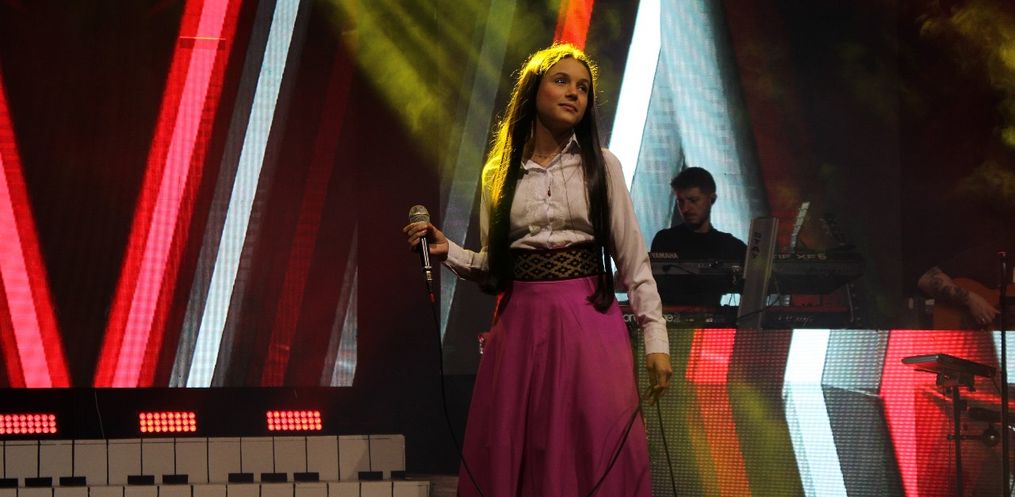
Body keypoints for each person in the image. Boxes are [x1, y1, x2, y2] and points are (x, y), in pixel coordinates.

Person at [403, 43, 671, 497]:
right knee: (522, 449)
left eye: (583, 87)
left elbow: (633, 262)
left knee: (598, 441)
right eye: (561, 81)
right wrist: (450, 252)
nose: (574, 93)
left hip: (589, 323)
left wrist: (656, 341)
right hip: (521, 327)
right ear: (533, 91)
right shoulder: (499, 173)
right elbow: (495, 266)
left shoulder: (602, 166)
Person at [650, 167, 747, 306]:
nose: (685, 208)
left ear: (712, 199)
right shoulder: (665, 239)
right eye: (681, 201)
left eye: (693, 200)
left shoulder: (730, 246)